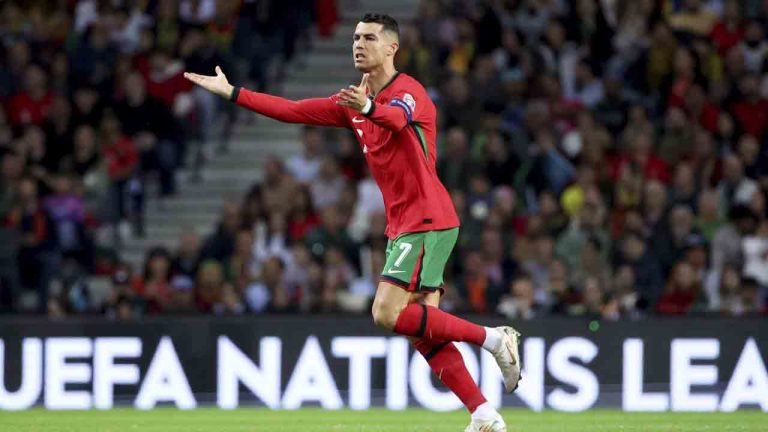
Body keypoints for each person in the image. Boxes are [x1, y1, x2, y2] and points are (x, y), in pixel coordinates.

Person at [184, 13, 520, 431]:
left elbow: (396, 119)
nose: (359, 44)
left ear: (392, 47)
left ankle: (493, 339)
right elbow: (292, 110)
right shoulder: (353, 100)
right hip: (405, 224)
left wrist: (367, 106)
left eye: (370, 38)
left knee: (385, 312)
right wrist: (233, 92)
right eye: (356, 37)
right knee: (422, 330)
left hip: (428, 217)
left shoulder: (409, 91)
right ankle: (484, 414)